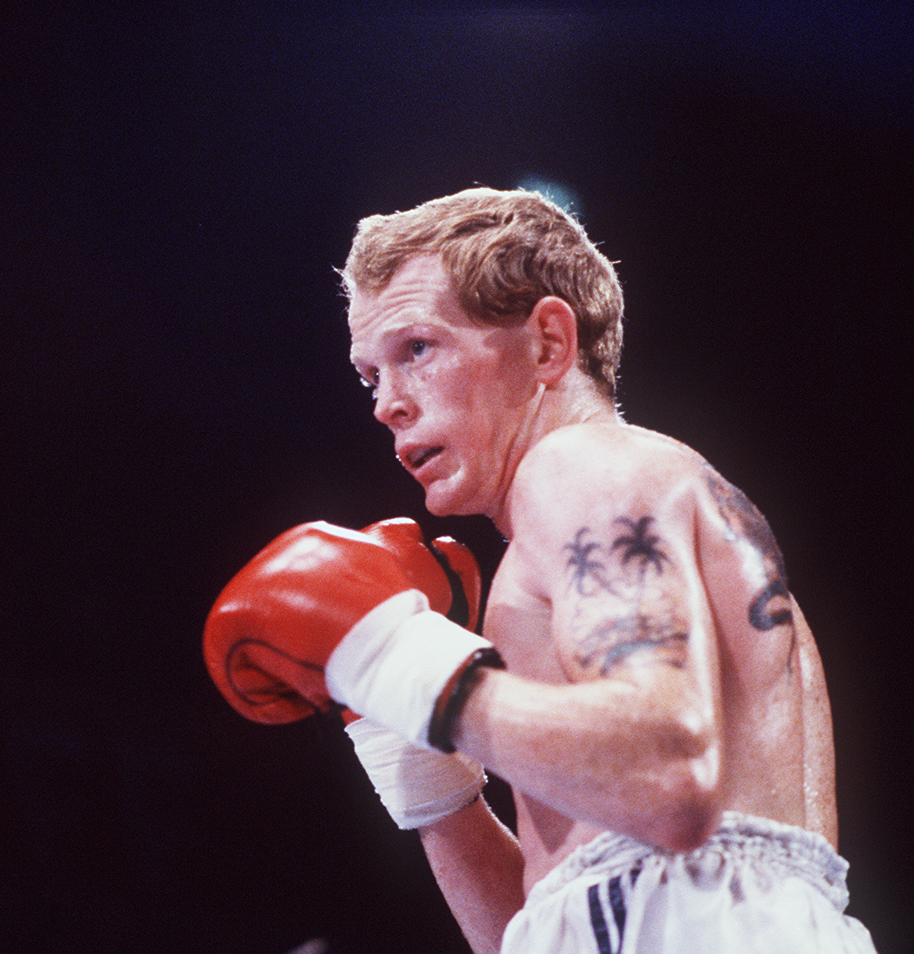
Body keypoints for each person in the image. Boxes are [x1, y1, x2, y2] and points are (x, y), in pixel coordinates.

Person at [204, 188, 878, 953]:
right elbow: (542, 924)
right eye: (370, 376)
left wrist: (396, 662)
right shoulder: (585, 527)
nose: (386, 403)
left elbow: (667, 776)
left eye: (417, 350)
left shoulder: (578, 466)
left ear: (550, 344)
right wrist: (415, 755)